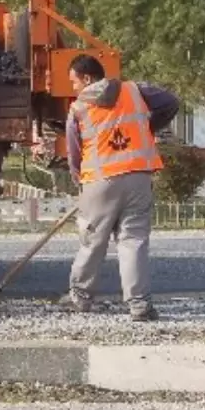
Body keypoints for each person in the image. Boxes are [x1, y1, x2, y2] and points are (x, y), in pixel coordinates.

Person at [63, 54, 180, 322]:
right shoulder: (135, 90)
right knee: (133, 240)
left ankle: (80, 297)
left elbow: (74, 152)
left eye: (74, 82)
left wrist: (79, 181)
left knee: (92, 240)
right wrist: (147, 127)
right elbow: (172, 102)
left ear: (87, 79)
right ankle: (139, 305)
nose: (74, 88)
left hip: (100, 180)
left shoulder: (78, 108)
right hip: (138, 176)